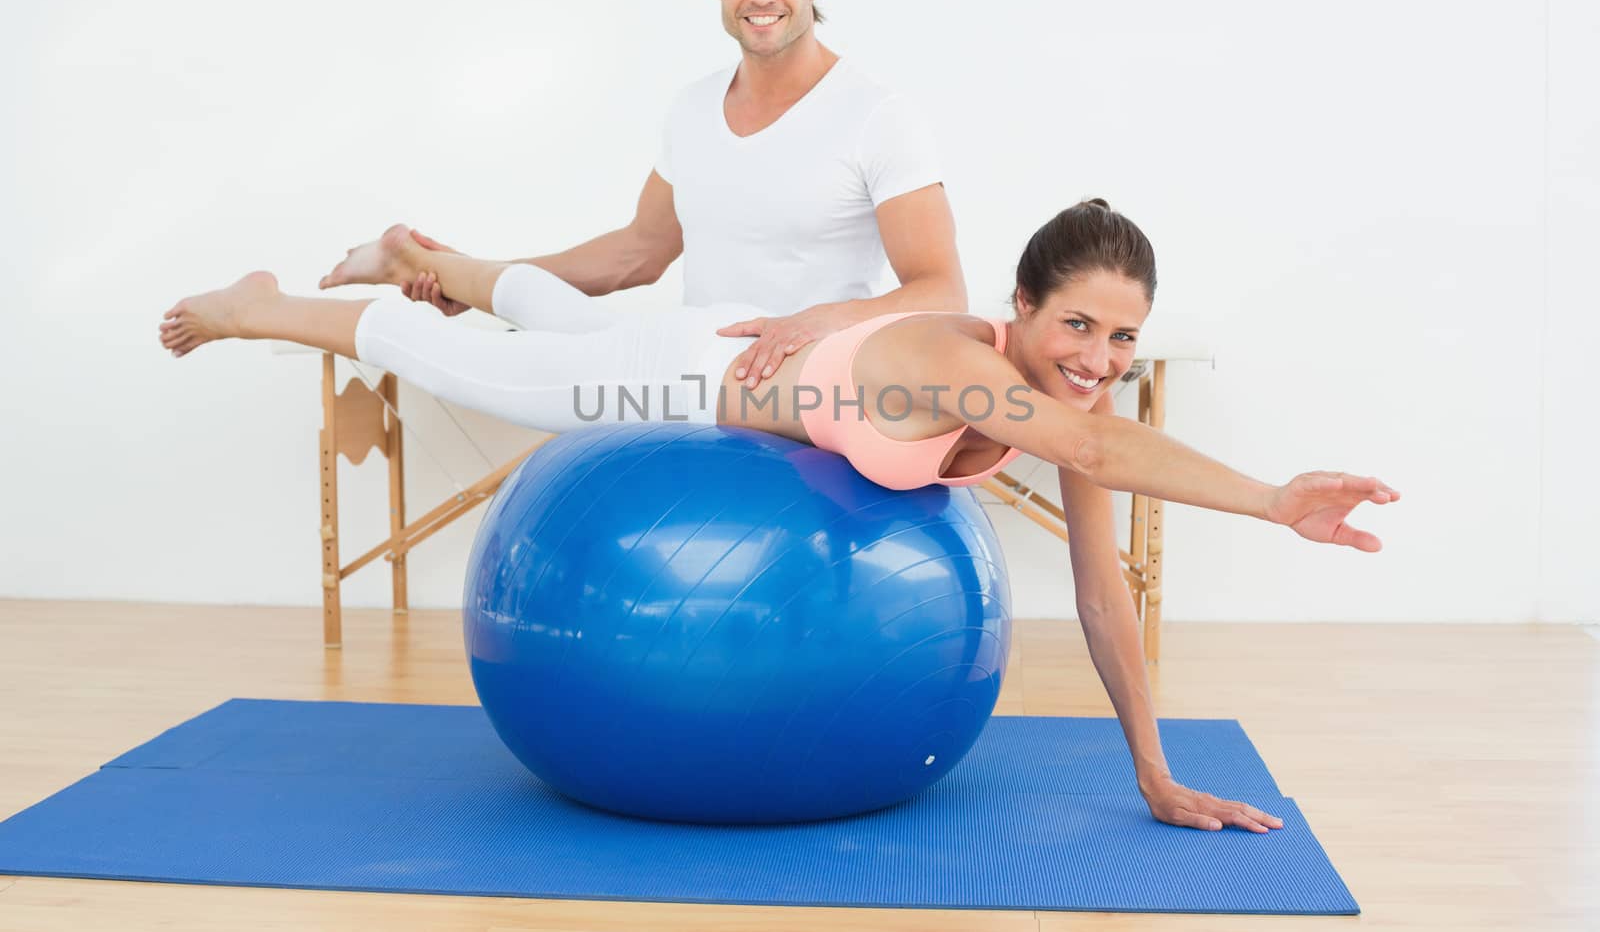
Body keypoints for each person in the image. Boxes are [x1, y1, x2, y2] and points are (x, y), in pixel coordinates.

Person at [159, 198, 1399, 837]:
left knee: (547, 310)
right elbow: (1092, 442)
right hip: (693, 372)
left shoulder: (1057, 395)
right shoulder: (965, 366)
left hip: (756, 348)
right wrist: (1273, 499)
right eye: (1075, 324)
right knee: (487, 366)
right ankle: (256, 302)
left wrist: (1153, 770)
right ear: (1016, 306)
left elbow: (1097, 585)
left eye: (1120, 335)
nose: (1097, 356)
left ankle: (414, 246)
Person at [400, 0, 967, 389]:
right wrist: (487, 278)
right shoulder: (692, 108)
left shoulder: (877, 115)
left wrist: (818, 319)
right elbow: (638, 254)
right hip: (703, 380)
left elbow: (941, 291)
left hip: (818, 386)